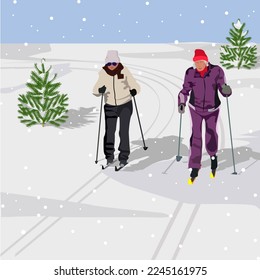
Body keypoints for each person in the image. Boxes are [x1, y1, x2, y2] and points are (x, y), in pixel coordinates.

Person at [178, 49, 232, 183]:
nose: (199, 64)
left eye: (201, 61)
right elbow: (185, 90)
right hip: (195, 108)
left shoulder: (216, 71)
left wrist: (226, 91)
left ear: (206, 61)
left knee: (211, 132)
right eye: (196, 62)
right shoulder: (190, 73)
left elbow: (222, 87)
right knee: (196, 135)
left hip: (212, 109)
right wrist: (182, 102)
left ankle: (213, 155)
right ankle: (194, 165)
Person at [93, 50, 140, 168]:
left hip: (125, 104)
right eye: (109, 64)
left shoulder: (124, 70)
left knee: (123, 132)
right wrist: (100, 90)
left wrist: (134, 90)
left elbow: (135, 85)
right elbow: (94, 89)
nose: (112, 66)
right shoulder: (103, 73)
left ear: (118, 62)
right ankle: (109, 157)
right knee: (109, 132)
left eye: (114, 63)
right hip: (110, 106)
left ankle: (123, 157)